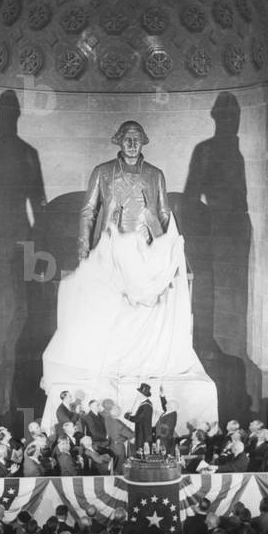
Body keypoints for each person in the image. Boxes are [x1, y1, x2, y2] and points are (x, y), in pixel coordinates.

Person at [41, 121, 207, 394]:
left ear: (143, 142)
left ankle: (142, 364)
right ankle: (108, 363)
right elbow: (88, 211)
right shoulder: (103, 172)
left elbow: (164, 212)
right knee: (107, 310)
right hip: (110, 247)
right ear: (119, 141)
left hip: (145, 248)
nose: (132, 144)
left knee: (143, 311)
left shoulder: (155, 174)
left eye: (137, 139)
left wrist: (171, 253)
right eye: (127, 138)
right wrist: (83, 250)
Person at [125, 383, 154, 454]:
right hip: (142, 433)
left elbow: (137, 419)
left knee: (141, 453)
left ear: (143, 395)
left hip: (143, 435)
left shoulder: (146, 406)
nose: (138, 395)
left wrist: (127, 416)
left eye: (139, 394)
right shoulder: (146, 404)